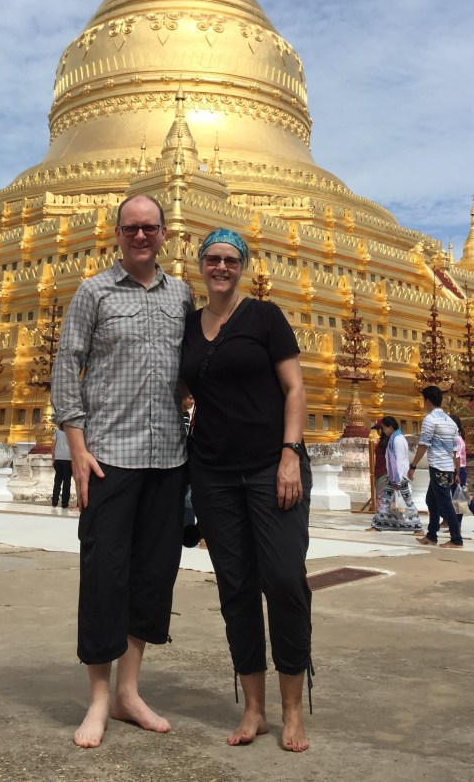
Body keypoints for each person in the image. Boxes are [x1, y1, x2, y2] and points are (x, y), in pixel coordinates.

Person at [51, 193, 194, 749]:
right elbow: (67, 361)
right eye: (131, 228)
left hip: (168, 458)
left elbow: (193, 368)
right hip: (110, 456)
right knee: (105, 575)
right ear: (117, 234)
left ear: (163, 235)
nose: (141, 236)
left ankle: (130, 691)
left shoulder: (181, 294)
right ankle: (97, 698)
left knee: (153, 576)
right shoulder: (93, 291)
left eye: (150, 228)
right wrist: (77, 445)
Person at [181, 228, 313, 753]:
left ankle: (294, 712)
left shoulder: (265, 317)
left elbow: (295, 388)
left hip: (268, 466)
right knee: (234, 587)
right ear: (200, 265)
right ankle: (254, 710)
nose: (220, 267)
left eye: (230, 260)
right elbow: (177, 389)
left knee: (283, 580)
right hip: (212, 472)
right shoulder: (188, 326)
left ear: (243, 265)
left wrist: (289, 454)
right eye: (212, 259)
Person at [411, 386, 463, 549]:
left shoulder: (430, 419)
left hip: (438, 466)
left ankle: (456, 539)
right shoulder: (450, 421)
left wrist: (413, 465)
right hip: (447, 467)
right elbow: (456, 449)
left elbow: (423, 444)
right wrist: (456, 469)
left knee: (445, 503)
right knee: (431, 500)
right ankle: (432, 535)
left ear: (427, 400)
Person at [369, 416, 423, 532]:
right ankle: (377, 525)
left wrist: (397, 480)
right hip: (394, 476)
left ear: (390, 427)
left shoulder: (398, 440)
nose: (383, 431)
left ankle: (417, 526)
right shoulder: (395, 438)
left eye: (384, 428)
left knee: (407, 502)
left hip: (399, 477)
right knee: (386, 501)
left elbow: (399, 460)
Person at [452, 416, 474, 534]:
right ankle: (459, 525)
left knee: (461, 498)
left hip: (458, 470)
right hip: (460, 469)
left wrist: (456, 473)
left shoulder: (456, 438)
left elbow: (456, 457)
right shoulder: (460, 437)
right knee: (461, 498)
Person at [50, 427, 72, 509]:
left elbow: (53, 444)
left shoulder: (58, 431)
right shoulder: (71, 431)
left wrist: (53, 458)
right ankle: (64, 503)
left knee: (57, 481)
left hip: (58, 458)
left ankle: (54, 501)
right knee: (67, 482)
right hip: (68, 459)